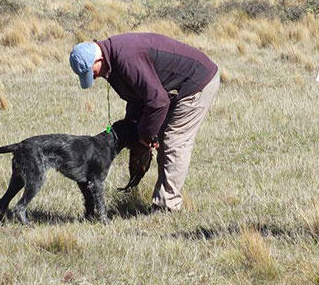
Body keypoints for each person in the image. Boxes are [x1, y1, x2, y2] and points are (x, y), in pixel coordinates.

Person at [69, 33, 220, 212]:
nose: (93, 78)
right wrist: (137, 132)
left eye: (91, 72)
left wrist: (144, 140)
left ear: (98, 58)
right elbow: (138, 98)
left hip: (197, 82)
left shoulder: (127, 58)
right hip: (172, 88)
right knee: (161, 137)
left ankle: (166, 207)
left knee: (173, 141)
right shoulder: (112, 61)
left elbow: (158, 101)